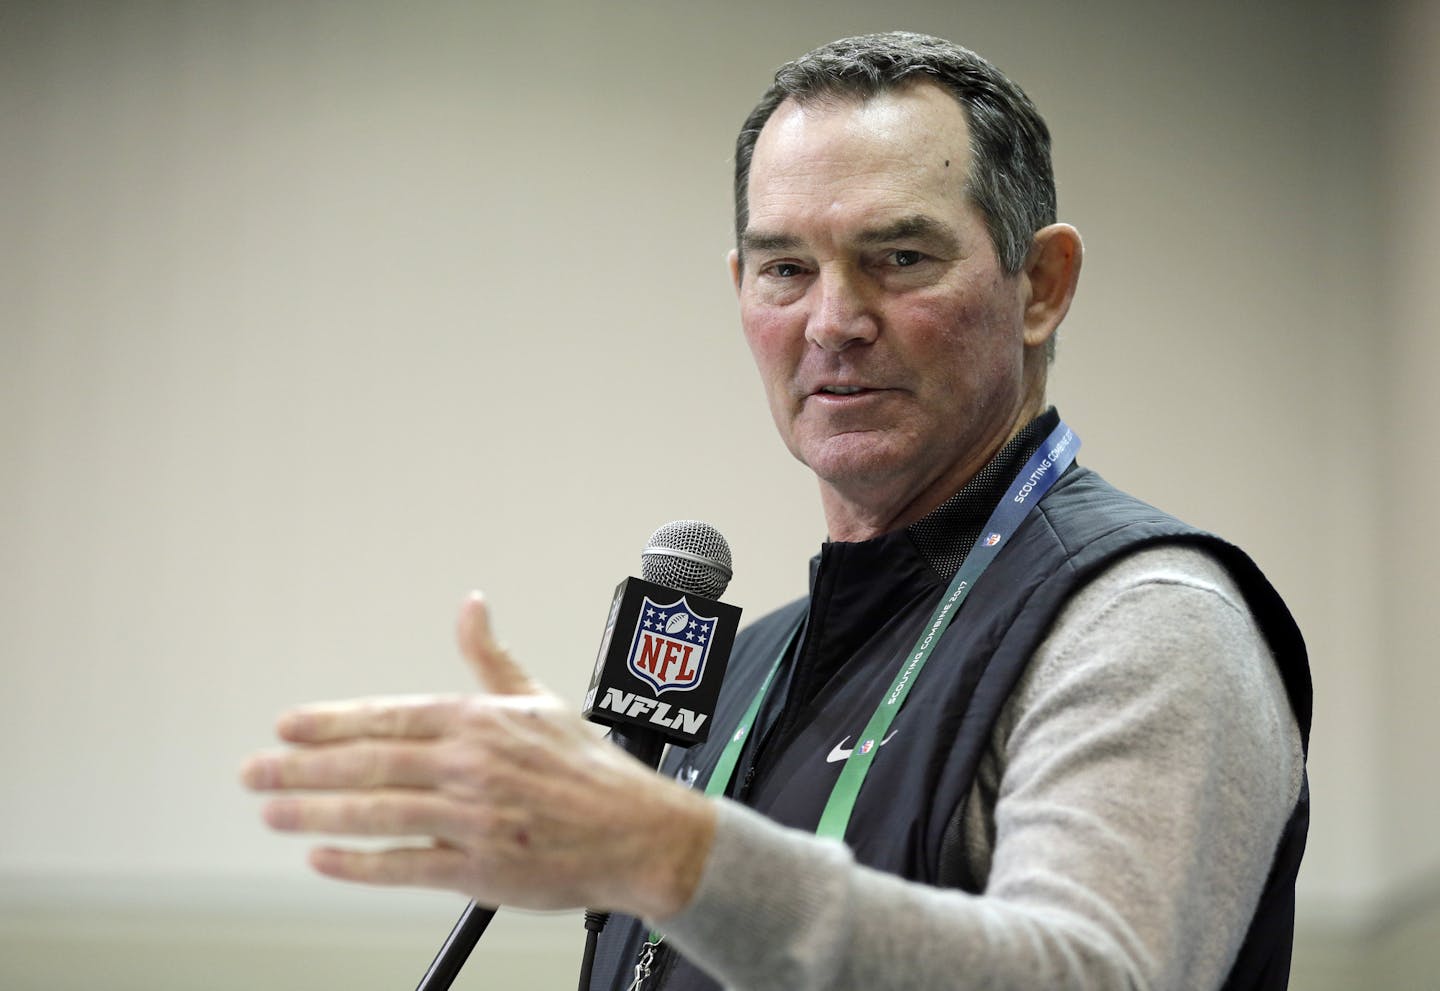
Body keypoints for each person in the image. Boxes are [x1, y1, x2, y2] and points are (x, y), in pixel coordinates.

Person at [241, 31, 1310, 991]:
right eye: (785, 268)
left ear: (1041, 285)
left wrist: (670, 854)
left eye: (899, 258)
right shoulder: (746, 674)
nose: (833, 321)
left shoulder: (1149, 619)